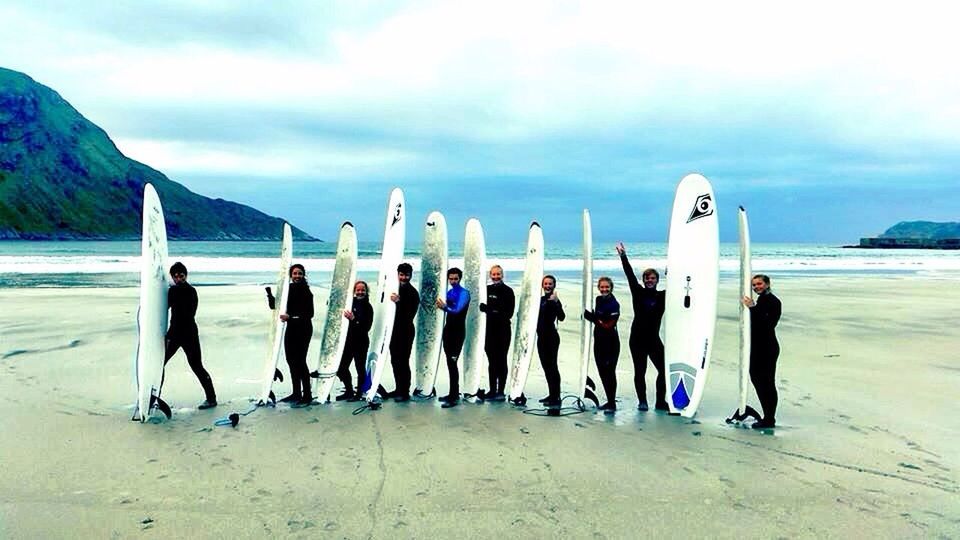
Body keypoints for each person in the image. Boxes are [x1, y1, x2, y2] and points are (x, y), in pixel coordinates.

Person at [616, 242, 667, 411]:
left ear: (657, 280)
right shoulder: (637, 292)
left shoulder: (663, 296)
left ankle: (660, 401)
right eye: (647, 278)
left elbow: (681, 286)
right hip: (637, 339)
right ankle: (643, 401)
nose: (650, 280)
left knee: (664, 370)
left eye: (653, 278)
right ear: (644, 280)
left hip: (653, 339)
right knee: (640, 371)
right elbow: (629, 274)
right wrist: (623, 256)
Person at [163, 262, 217, 409]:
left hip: (188, 334)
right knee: (159, 365)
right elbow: (164, 308)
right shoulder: (172, 291)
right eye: (175, 276)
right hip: (174, 334)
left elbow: (188, 314)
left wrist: (169, 335)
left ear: (186, 276)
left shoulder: (191, 291)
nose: (178, 279)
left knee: (197, 366)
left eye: (181, 276)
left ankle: (211, 399)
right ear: (172, 277)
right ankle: (154, 397)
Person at [742, 274, 782, 429]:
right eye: (754, 285)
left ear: (767, 284)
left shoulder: (773, 301)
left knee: (767, 383)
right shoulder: (762, 300)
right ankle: (768, 416)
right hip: (757, 347)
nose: (756, 287)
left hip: (768, 347)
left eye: (759, 284)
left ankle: (769, 419)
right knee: (758, 380)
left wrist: (752, 308)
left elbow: (768, 324)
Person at [583, 276, 621, 412]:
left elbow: (608, 325)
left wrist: (593, 318)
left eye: (607, 287)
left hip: (611, 343)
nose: (604, 289)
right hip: (598, 341)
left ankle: (612, 402)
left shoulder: (614, 304)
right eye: (602, 287)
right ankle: (609, 401)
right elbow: (598, 319)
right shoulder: (598, 300)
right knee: (602, 372)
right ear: (598, 288)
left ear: (611, 288)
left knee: (610, 372)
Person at [479, 264, 515, 401]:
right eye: (493, 274)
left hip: (503, 331)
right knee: (491, 361)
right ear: (490, 275)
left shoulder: (508, 291)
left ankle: (501, 391)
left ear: (502, 275)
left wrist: (489, 310)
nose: (496, 277)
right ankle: (492, 390)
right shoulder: (486, 290)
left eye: (498, 274)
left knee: (501, 360)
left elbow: (508, 313)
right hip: (489, 331)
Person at [436, 267, 470, 408]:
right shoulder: (449, 292)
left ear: (460, 278)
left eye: (456, 278)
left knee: (453, 363)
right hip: (448, 331)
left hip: (457, 333)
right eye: (451, 278)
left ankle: (454, 396)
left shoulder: (464, 293)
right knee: (450, 364)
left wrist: (444, 307)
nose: (453, 281)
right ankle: (452, 393)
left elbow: (456, 311)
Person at [281, 263, 315, 408]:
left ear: (303, 275)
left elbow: (309, 314)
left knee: (300, 361)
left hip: (304, 329)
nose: (297, 276)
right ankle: (296, 393)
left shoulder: (307, 292)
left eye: (300, 273)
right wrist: (270, 297)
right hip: (291, 329)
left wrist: (291, 317)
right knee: (290, 360)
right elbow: (279, 306)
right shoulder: (287, 289)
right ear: (291, 275)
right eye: (295, 273)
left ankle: (307, 395)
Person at [335, 281, 373, 402]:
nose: (360, 292)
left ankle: (359, 394)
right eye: (358, 290)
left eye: (363, 290)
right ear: (354, 291)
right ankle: (349, 391)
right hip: (348, 341)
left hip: (361, 341)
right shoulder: (350, 303)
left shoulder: (368, 307)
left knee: (359, 368)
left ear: (366, 292)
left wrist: (354, 319)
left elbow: (366, 327)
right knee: (341, 367)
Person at [387, 262, 420, 402]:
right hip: (394, 331)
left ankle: (404, 391)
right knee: (394, 360)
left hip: (406, 331)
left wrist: (399, 303)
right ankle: (398, 388)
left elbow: (408, 315)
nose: (404, 278)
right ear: (398, 274)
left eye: (406, 275)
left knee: (403, 361)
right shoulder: (395, 289)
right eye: (401, 275)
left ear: (411, 275)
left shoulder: (413, 293)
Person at [537, 275, 565, 406]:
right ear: (542, 285)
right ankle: (551, 394)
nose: (548, 286)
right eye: (546, 284)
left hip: (551, 338)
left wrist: (556, 302)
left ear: (554, 285)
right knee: (546, 367)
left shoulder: (555, 299)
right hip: (540, 338)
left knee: (552, 367)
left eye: (550, 284)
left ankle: (556, 396)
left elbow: (562, 317)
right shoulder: (540, 299)